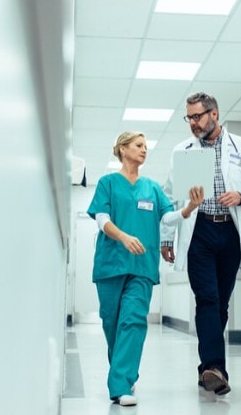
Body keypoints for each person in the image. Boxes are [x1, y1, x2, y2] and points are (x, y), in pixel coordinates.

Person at [160, 92, 241, 395]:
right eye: (189, 118)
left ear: (214, 114)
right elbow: (170, 197)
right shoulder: (182, 150)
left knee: (220, 303)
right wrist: (167, 236)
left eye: (198, 116)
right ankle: (215, 367)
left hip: (230, 231)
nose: (193, 123)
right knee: (207, 299)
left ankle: (206, 369)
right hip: (199, 231)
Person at [87, 131, 203, 407]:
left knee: (133, 322)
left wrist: (188, 208)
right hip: (110, 265)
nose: (144, 150)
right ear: (123, 149)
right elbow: (102, 218)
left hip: (142, 266)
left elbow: (168, 217)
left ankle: (120, 385)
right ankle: (125, 374)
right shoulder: (108, 183)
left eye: (145, 146)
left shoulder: (152, 188)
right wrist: (124, 237)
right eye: (138, 145)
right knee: (112, 324)